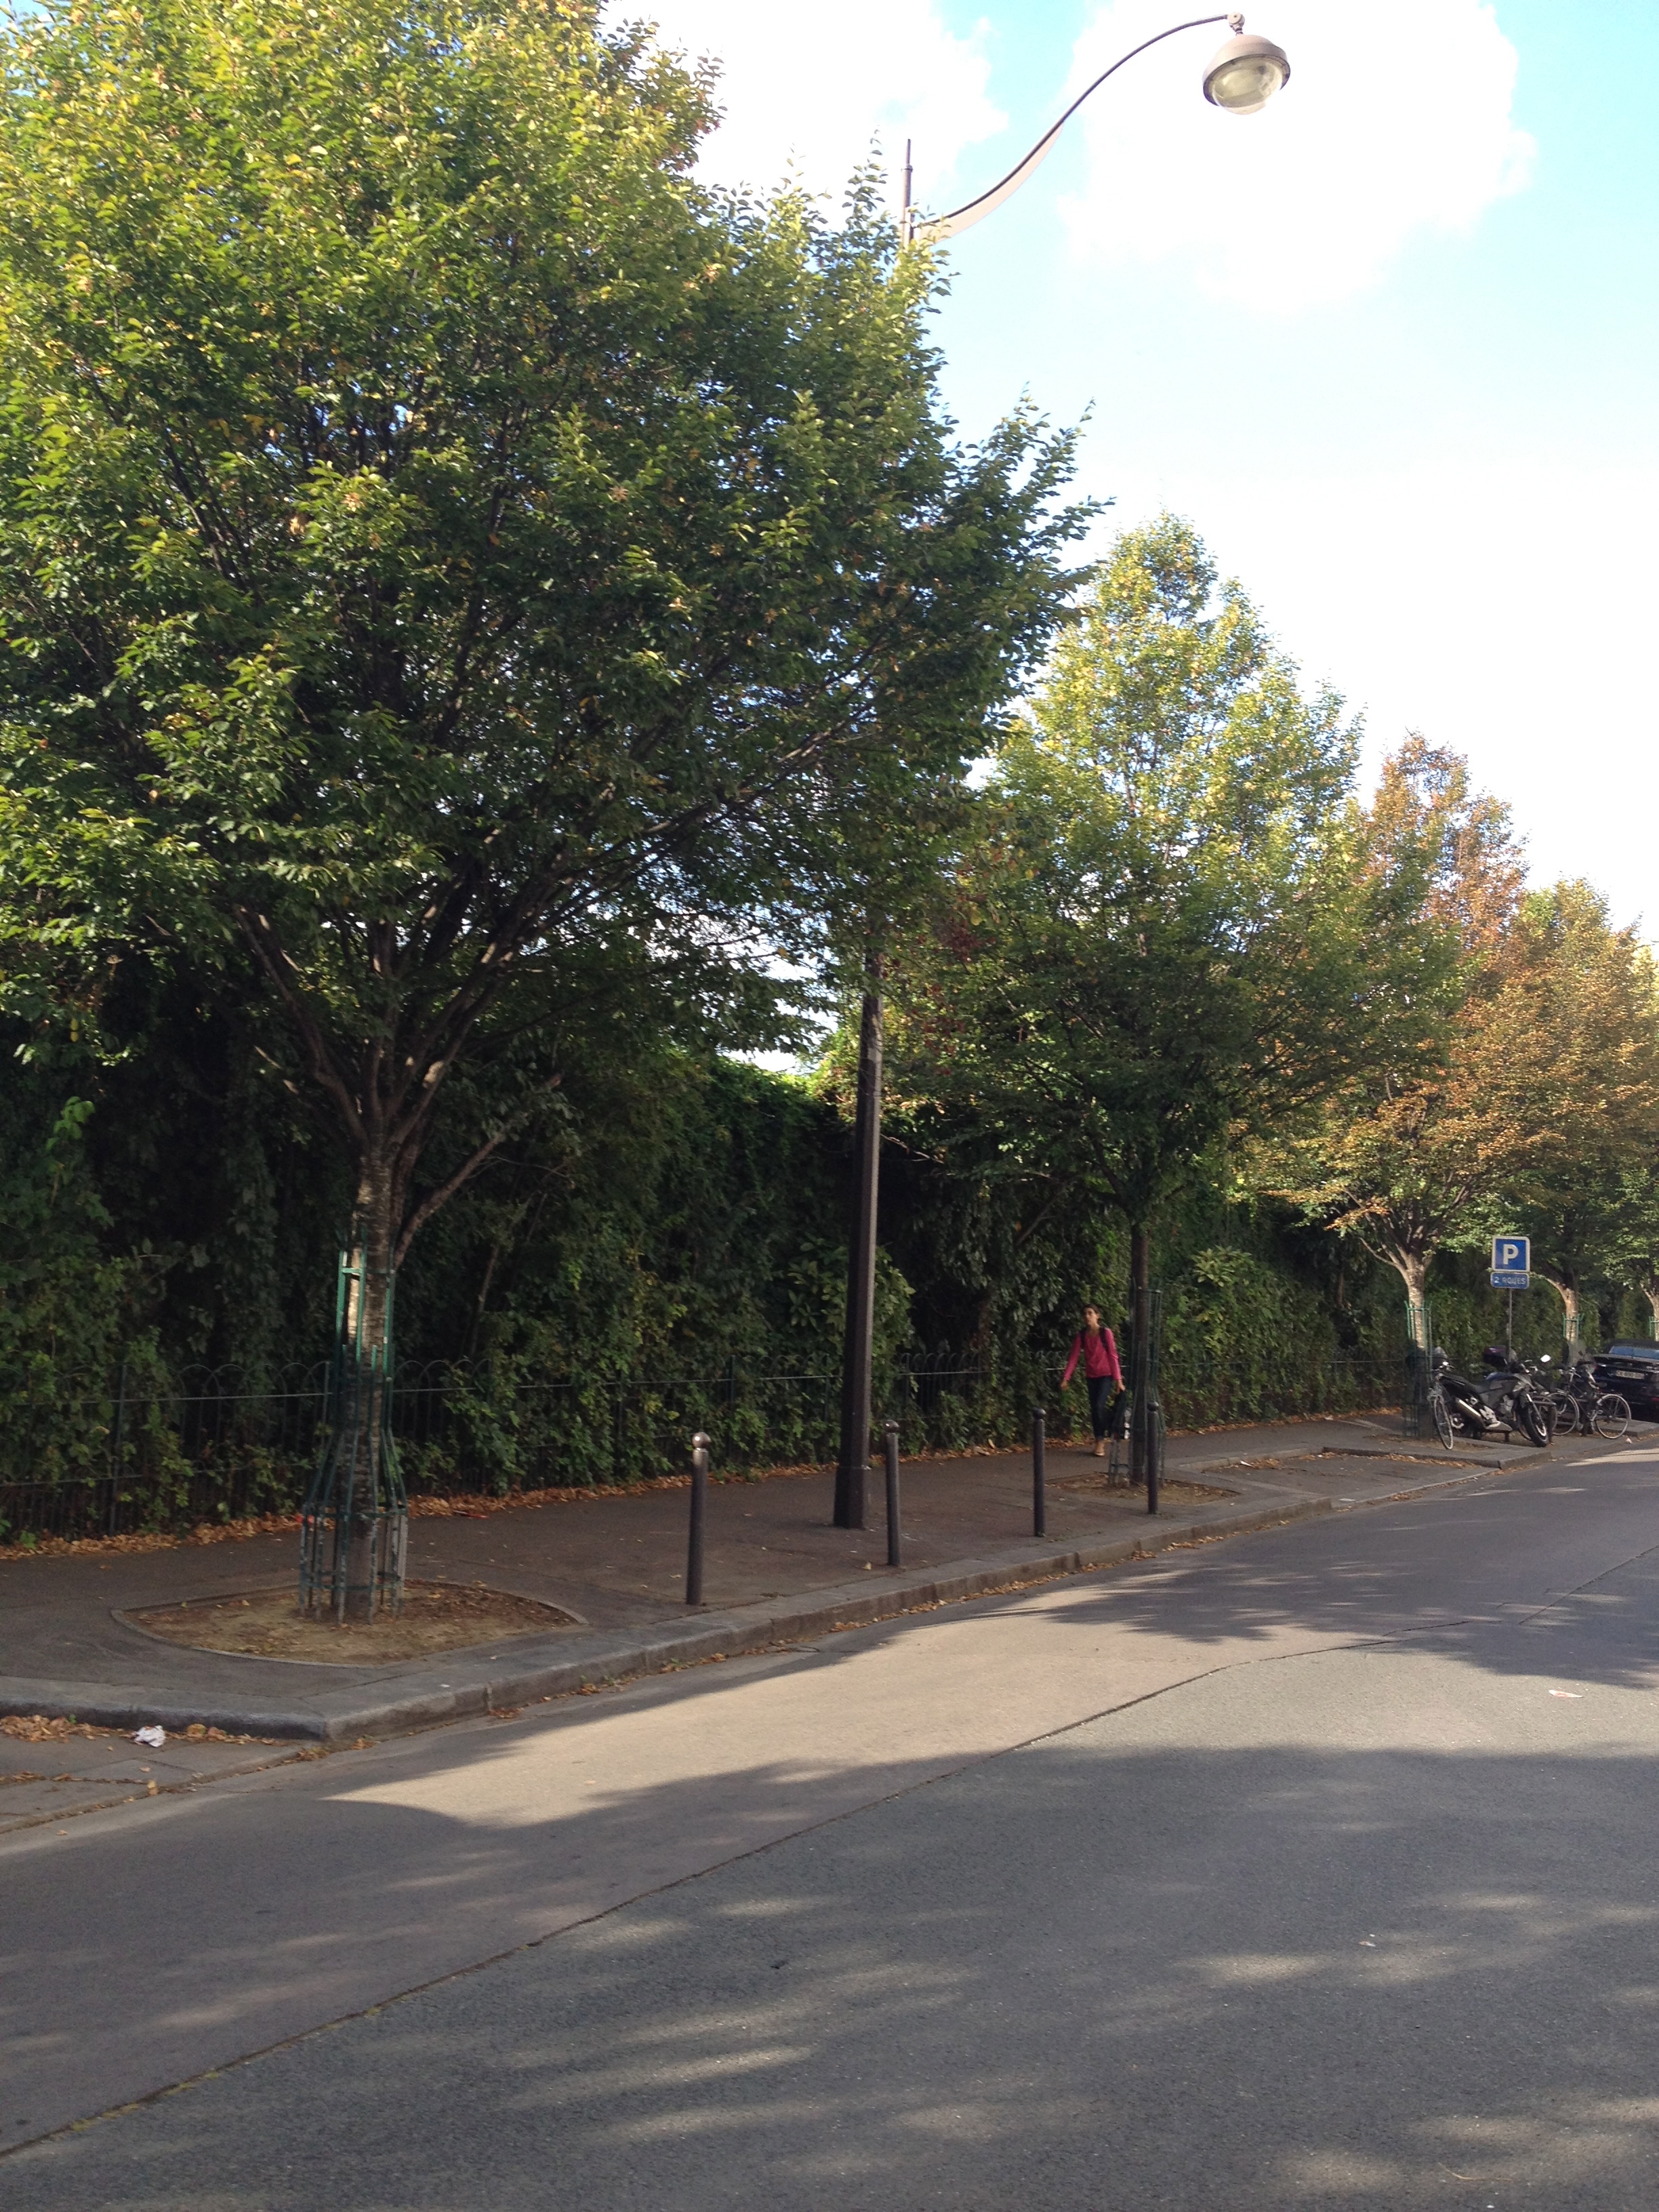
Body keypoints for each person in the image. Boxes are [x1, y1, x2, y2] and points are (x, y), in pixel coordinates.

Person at [1063, 1305, 1123, 1457]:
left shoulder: (1105, 1333)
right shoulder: (1081, 1336)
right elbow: (1074, 1357)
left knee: (1098, 1406)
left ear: (1098, 1316)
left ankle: (1101, 1441)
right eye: (1085, 1314)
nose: (1087, 1316)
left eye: (1090, 1313)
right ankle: (1099, 1439)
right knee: (1095, 1409)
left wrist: (1118, 1380)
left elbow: (1113, 1355)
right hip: (1091, 1376)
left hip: (1106, 1375)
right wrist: (1066, 1378)